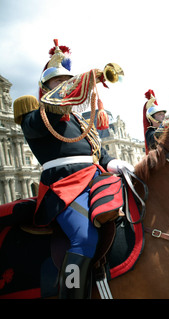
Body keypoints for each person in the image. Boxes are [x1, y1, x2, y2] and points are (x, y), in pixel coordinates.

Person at [13, 39, 133, 299]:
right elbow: (54, 112)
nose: (66, 85)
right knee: (84, 239)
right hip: (65, 188)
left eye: (70, 81)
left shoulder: (79, 120)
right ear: (44, 88)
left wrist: (114, 163)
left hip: (96, 179)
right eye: (59, 82)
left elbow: (97, 152)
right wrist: (79, 83)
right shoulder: (36, 115)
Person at [143, 89, 166, 154]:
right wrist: (164, 126)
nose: (163, 116)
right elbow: (156, 139)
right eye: (160, 114)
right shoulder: (150, 132)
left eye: (163, 114)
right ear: (152, 118)